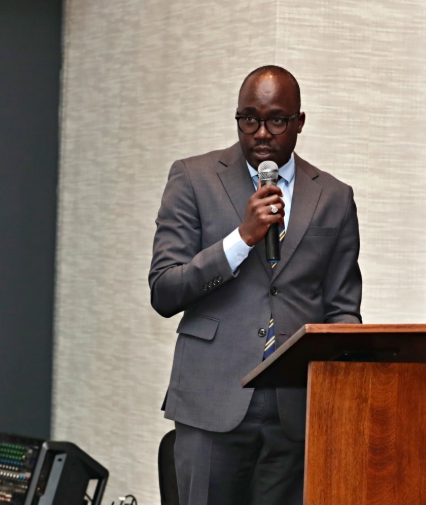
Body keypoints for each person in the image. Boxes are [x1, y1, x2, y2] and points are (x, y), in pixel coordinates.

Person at [148, 65, 362, 505]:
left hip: (296, 408)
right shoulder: (193, 178)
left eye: (276, 120)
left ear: (299, 122)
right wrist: (241, 239)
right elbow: (165, 290)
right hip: (212, 398)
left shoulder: (335, 197)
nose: (261, 133)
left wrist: (341, 393)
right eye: (249, 119)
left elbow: (342, 308)